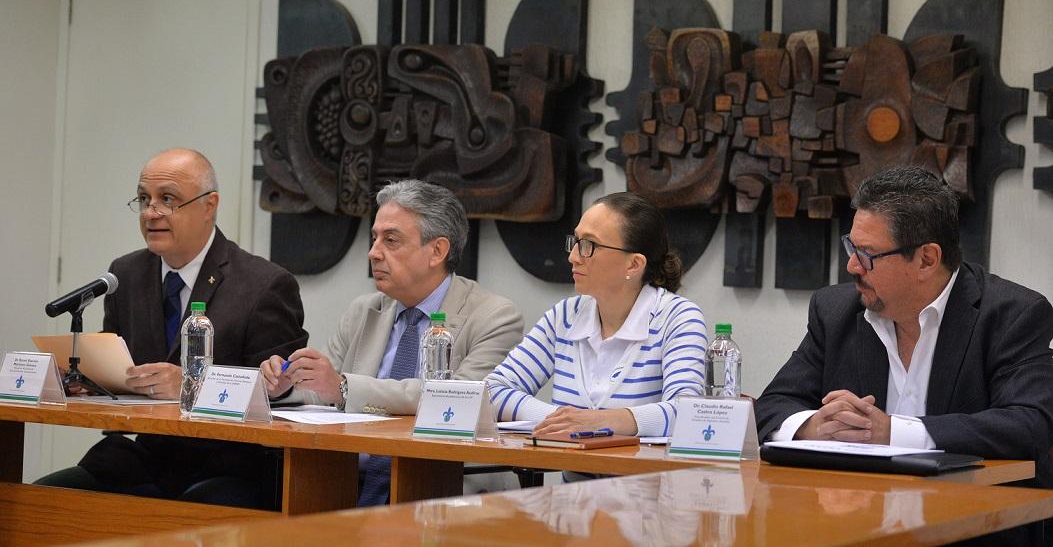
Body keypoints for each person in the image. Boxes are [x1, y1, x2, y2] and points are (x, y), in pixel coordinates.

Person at [36, 148, 309, 509]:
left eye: (167, 199)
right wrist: (84, 379)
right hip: (145, 457)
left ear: (209, 205)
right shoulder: (126, 274)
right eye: (144, 199)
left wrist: (193, 386)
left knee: (188, 511)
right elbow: (119, 369)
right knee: (41, 500)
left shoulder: (264, 284)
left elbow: (283, 395)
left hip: (231, 464)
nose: (151, 213)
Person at [754, 166, 1053, 489]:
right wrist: (813, 426)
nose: (852, 265)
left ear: (926, 259)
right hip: (859, 509)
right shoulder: (835, 311)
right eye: (851, 247)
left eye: (867, 254)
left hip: (974, 509)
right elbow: (771, 405)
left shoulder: (1011, 314)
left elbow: (1030, 425)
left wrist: (892, 432)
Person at [260, 179, 523, 505]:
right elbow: (324, 391)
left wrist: (343, 387)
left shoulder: (494, 317)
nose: (373, 252)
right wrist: (286, 384)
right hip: (346, 483)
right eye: (374, 238)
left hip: (449, 491)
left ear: (437, 251)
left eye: (391, 240)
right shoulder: (363, 311)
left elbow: (454, 400)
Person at [486, 191, 707, 439]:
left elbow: (687, 412)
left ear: (634, 264)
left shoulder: (678, 318)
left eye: (589, 246)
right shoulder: (565, 316)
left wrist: (603, 422)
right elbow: (492, 390)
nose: (573, 257)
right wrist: (562, 420)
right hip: (567, 465)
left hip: (641, 466)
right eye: (576, 241)